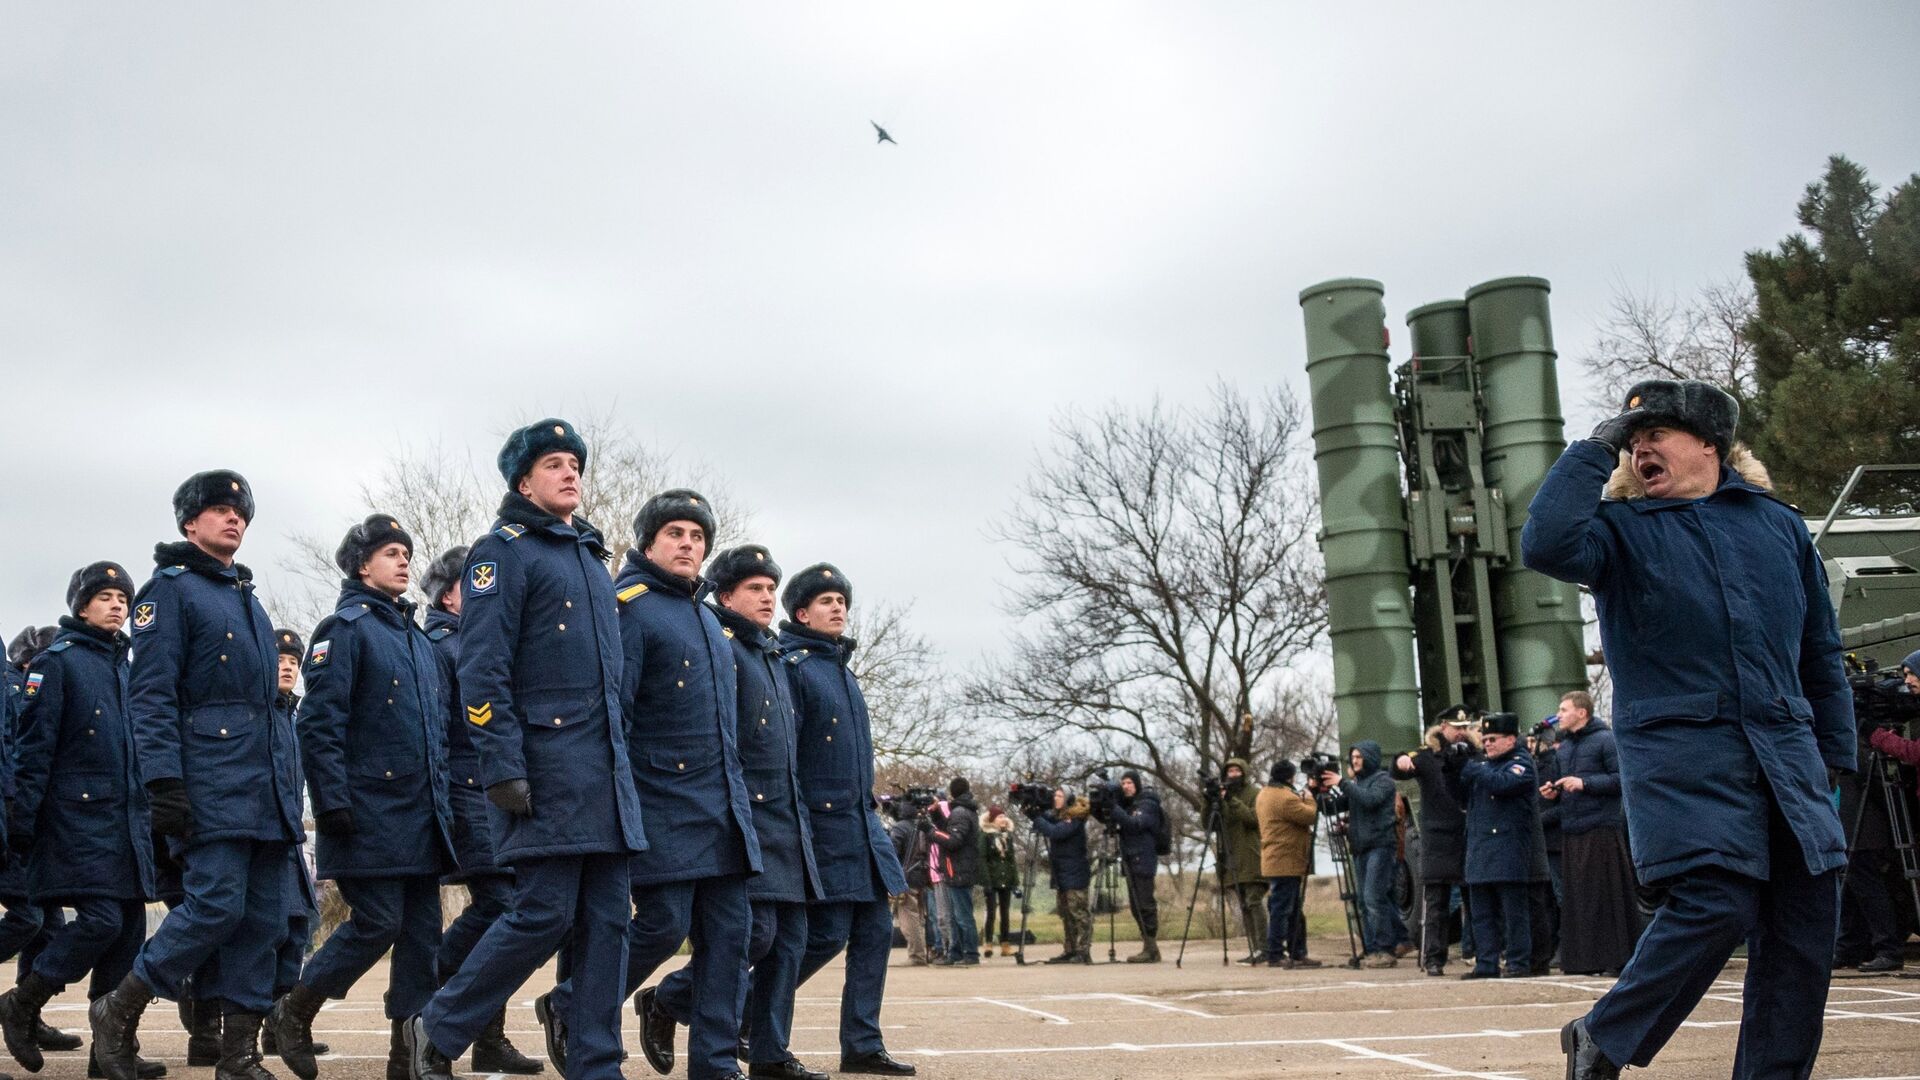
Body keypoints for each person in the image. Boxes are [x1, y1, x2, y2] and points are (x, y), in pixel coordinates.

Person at [1523, 380, 1853, 1080]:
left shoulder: (1778, 526)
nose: (1641, 444)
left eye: (1657, 432)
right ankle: (1604, 1036)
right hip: (1684, 760)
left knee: (1802, 930)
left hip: (1789, 761)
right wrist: (1597, 445)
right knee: (1716, 901)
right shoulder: (1618, 532)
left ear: (1710, 443)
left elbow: (1819, 649)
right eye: (1632, 438)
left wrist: (1833, 755)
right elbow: (1546, 542)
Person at [405, 420, 647, 1080]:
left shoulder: (593, 560)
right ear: (523, 481)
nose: (569, 473)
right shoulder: (501, 553)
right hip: (543, 771)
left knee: (607, 923)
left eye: (574, 463)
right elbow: (481, 669)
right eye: (553, 464)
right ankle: (441, 1023)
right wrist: (501, 765)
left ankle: (597, 1062)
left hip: (605, 778)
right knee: (541, 913)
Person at [92, 470, 306, 1080]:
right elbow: (151, 696)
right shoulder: (170, 592)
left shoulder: (249, 599)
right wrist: (163, 782)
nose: (233, 520)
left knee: (263, 921)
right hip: (210, 783)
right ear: (191, 524)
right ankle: (121, 1007)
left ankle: (238, 1055)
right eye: (218, 511)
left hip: (265, 793)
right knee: (214, 906)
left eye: (240, 513)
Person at [269, 516, 454, 1080]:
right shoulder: (342, 630)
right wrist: (331, 804)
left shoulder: (417, 640)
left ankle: (410, 1055)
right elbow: (320, 726)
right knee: (377, 922)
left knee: (422, 938)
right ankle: (295, 1007)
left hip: (423, 817)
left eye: (406, 553)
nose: (403, 561)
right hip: (368, 813)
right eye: (390, 553)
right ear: (360, 564)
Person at [588, 490, 760, 1080]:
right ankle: (572, 1005)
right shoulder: (627, 607)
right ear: (648, 542)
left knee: (732, 933)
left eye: (697, 537)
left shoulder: (710, 620)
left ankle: (714, 1064)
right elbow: (617, 715)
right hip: (659, 800)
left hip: (720, 807)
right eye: (675, 534)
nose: (688, 545)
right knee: (664, 923)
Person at [655, 544, 826, 1080]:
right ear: (724, 595)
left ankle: (769, 1053)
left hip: (784, 820)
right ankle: (668, 1001)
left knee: (792, 941)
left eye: (771, 589)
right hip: (742, 815)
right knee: (752, 937)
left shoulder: (769, 652)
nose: (767, 598)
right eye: (755, 588)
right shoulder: (723, 647)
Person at [0, 564, 156, 1075]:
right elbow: (32, 750)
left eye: (122, 597)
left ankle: (108, 1054)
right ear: (80, 605)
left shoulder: (127, 667)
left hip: (127, 824)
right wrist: (22, 823)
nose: (116, 605)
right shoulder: (57, 663)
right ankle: (22, 1003)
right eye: (105, 596)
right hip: (76, 821)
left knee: (129, 933)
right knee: (101, 921)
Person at [781, 564, 915, 1076]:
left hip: (862, 830)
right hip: (821, 829)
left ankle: (862, 1044)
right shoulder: (793, 667)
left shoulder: (842, 670)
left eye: (841, 600)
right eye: (826, 601)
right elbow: (787, 756)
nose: (837, 607)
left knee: (875, 934)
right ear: (801, 613)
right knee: (825, 935)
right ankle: (708, 1004)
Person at [417, 548, 542, 1072]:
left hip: (491, 792)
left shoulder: (480, 640)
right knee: (503, 906)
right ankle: (436, 989)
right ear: (450, 594)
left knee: (505, 905)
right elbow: (436, 736)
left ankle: (486, 1033)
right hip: (464, 794)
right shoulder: (442, 647)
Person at [0, 627, 79, 1067]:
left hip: (32, 818)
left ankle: (29, 1016)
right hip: (15, 815)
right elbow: (20, 754)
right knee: (29, 915)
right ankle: (19, 1009)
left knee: (47, 924)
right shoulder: (18, 686)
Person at [257, 630, 330, 1065]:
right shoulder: (261, 713)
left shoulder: (293, 717)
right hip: (264, 836)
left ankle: (277, 1025)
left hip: (291, 839)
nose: (287, 666)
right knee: (268, 932)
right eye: (280, 659)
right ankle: (224, 1022)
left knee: (297, 927)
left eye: (293, 661)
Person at [1539, 691, 1637, 976]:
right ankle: (1585, 960)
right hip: (1573, 829)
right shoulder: (1565, 748)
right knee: (1579, 901)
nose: (1559, 715)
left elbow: (1622, 779)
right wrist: (1553, 790)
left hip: (1601, 829)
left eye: (1564, 709)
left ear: (1582, 713)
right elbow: (1563, 784)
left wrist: (1584, 783)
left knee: (1607, 899)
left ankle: (1616, 959)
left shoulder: (1605, 740)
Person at [1446, 712, 1538, 979]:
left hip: (1508, 848)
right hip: (1480, 847)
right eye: (1484, 739)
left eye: (1493, 739)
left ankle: (1518, 961)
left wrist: (1473, 767)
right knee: (1482, 913)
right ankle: (1486, 961)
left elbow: (1504, 783)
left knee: (1513, 912)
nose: (1487, 744)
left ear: (1511, 739)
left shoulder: (1521, 763)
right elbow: (1459, 796)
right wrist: (1453, 769)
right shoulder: (1483, 766)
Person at [1392, 707, 1477, 976]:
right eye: (1456, 727)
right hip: (1438, 837)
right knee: (1436, 903)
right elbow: (1399, 767)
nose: (1461, 732)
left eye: (1465, 727)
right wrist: (1401, 761)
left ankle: (1475, 951)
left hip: (1467, 833)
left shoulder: (1473, 754)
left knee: (1474, 899)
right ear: (1443, 726)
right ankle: (1433, 957)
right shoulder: (1427, 756)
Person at [1330, 741, 1406, 967]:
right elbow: (1333, 806)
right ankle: (1372, 948)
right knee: (1363, 901)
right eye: (1353, 757)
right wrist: (1319, 791)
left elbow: (1369, 800)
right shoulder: (1357, 783)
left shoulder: (1383, 781)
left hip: (1380, 846)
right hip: (1361, 847)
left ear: (1370, 758)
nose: (1354, 761)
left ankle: (1385, 949)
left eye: (1359, 757)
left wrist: (1342, 782)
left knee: (1374, 898)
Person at [1253, 760, 1319, 969]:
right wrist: (1310, 799)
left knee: (1290, 909)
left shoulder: (1264, 793)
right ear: (1290, 777)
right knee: (1284, 909)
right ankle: (1276, 953)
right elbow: (1310, 816)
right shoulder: (1285, 798)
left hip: (1275, 859)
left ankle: (1296, 951)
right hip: (1286, 861)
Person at [1022, 789, 1090, 965]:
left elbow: (1055, 832)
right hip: (1062, 873)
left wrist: (1036, 817)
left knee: (1078, 914)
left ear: (1068, 799)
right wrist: (1033, 812)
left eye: (1060, 796)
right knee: (1066, 914)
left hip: (1075, 873)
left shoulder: (1074, 819)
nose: (1055, 799)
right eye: (1055, 796)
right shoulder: (1060, 816)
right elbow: (1048, 821)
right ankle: (1070, 949)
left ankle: (1083, 951)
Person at [1104, 771, 1164, 963]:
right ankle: (1148, 945)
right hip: (1130, 859)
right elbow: (1115, 821)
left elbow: (1134, 824)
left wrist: (1114, 807)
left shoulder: (1148, 804)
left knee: (1145, 904)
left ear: (1137, 784)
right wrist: (1105, 805)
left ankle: (1151, 947)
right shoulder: (1127, 806)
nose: (1126, 786)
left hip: (1144, 859)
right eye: (1123, 783)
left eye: (1129, 782)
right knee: (1135, 906)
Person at [1219, 758, 1268, 965]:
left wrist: (1231, 800)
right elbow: (1209, 823)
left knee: (1254, 901)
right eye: (1229, 770)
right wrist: (1209, 800)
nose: (1233, 774)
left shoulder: (1255, 793)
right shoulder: (1224, 796)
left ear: (1244, 772)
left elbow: (1252, 819)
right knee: (1244, 906)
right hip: (1231, 858)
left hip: (1251, 854)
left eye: (1237, 770)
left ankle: (1264, 947)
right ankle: (1254, 947)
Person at [927, 778, 980, 966]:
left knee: (963, 916)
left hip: (959, 869)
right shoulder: (963, 811)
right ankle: (956, 952)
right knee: (957, 915)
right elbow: (949, 830)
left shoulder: (960, 812)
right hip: (957, 868)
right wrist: (935, 817)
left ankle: (971, 952)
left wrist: (931, 832)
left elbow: (953, 840)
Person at [887, 807, 932, 966]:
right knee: (918, 916)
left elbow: (891, 851)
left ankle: (916, 955)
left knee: (908, 917)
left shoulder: (900, 828)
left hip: (906, 876)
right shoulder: (922, 826)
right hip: (921, 875)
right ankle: (922, 952)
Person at [977, 807, 1018, 958]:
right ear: (993, 819)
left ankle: (1005, 944)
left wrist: (1015, 880)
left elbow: (1011, 859)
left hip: (1005, 878)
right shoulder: (986, 836)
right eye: (1000, 817)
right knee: (991, 911)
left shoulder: (1008, 836)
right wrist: (986, 881)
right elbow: (982, 859)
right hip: (992, 878)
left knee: (1005, 912)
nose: (1003, 819)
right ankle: (988, 943)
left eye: (1004, 817)